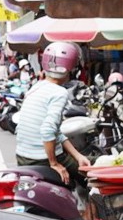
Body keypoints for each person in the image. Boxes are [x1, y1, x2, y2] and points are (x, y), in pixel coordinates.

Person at [12, 41, 89, 186]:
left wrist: (78, 156)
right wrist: (54, 163)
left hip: (22, 157)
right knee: (90, 176)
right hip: (41, 158)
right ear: (70, 68)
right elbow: (48, 130)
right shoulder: (59, 92)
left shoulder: (36, 87)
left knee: (80, 162)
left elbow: (56, 133)